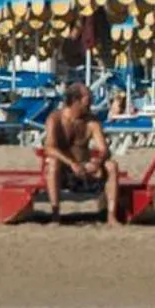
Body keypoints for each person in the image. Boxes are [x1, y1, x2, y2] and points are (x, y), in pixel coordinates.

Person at [42, 83, 120, 227]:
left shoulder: (92, 122)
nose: (91, 103)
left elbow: (104, 149)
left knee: (111, 165)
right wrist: (72, 163)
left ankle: (111, 216)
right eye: (88, 100)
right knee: (53, 163)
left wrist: (98, 161)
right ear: (75, 101)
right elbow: (49, 148)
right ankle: (55, 216)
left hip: (85, 167)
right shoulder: (55, 119)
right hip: (65, 169)